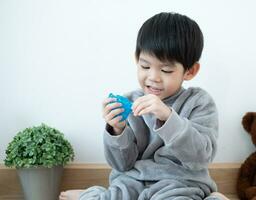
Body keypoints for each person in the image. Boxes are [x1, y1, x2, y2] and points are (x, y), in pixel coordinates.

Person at [59, 12, 229, 200]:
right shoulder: (130, 101)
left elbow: (200, 158)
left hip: (180, 183)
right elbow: (121, 165)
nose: (153, 77)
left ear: (190, 71)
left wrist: (167, 117)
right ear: (137, 60)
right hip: (133, 181)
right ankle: (94, 195)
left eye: (165, 70)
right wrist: (117, 130)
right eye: (145, 67)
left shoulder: (199, 102)